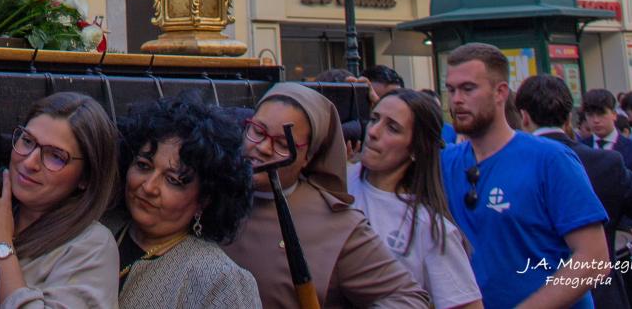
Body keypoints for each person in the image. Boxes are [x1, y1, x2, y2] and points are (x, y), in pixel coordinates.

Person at [223, 82, 430, 308]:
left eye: (283, 143)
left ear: (308, 157)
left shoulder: (337, 225)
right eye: (257, 131)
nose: (263, 148)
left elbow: (407, 298)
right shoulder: (210, 196)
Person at [440, 44, 609, 309]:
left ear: (500, 92)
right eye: (451, 90)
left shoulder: (550, 159)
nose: (456, 99)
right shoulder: (445, 163)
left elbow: (594, 258)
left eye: (468, 88)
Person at [516, 74, 632, 309]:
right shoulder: (605, 163)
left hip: (531, 291)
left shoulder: (513, 164)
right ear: (568, 118)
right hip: (601, 292)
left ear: (524, 116)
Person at [0, 92, 121, 308]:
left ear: (86, 177)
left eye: (56, 156)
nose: (30, 161)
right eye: (28, 141)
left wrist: (1, 246)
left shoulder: (92, 244)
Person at [113, 94, 259, 308]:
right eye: (144, 166)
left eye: (173, 180)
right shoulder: (99, 230)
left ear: (205, 199)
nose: (149, 186)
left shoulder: (220, 280)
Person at [346, 90, 481, 309]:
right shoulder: (336, 180)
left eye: (392, 128)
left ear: (417, 149)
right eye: (374, 118)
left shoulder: (430, 228)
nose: (373, 131)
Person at [581, 88, 632, 180]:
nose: (596, 120)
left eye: (601, 114)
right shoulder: (579, 149)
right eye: (590, 115)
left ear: (614, 114)